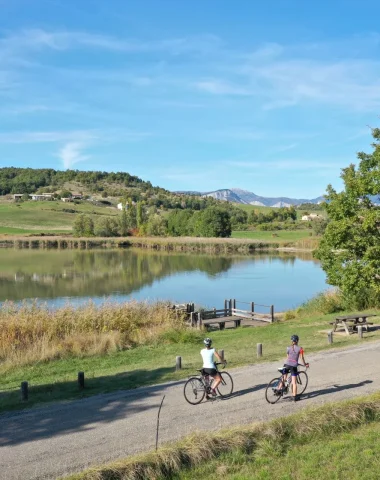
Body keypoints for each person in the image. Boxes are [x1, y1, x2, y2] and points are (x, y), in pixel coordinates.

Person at [277, 334, 309, 402]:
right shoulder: (300, 349)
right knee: (294, 382)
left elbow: (288, 357)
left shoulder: (288, 348)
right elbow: (302, 358)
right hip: (293, 366)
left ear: (291, 341)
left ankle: (278, 390)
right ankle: (294, 397)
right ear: (297, 341)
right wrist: (305, 364)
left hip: (286, 364)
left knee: (284, 377)